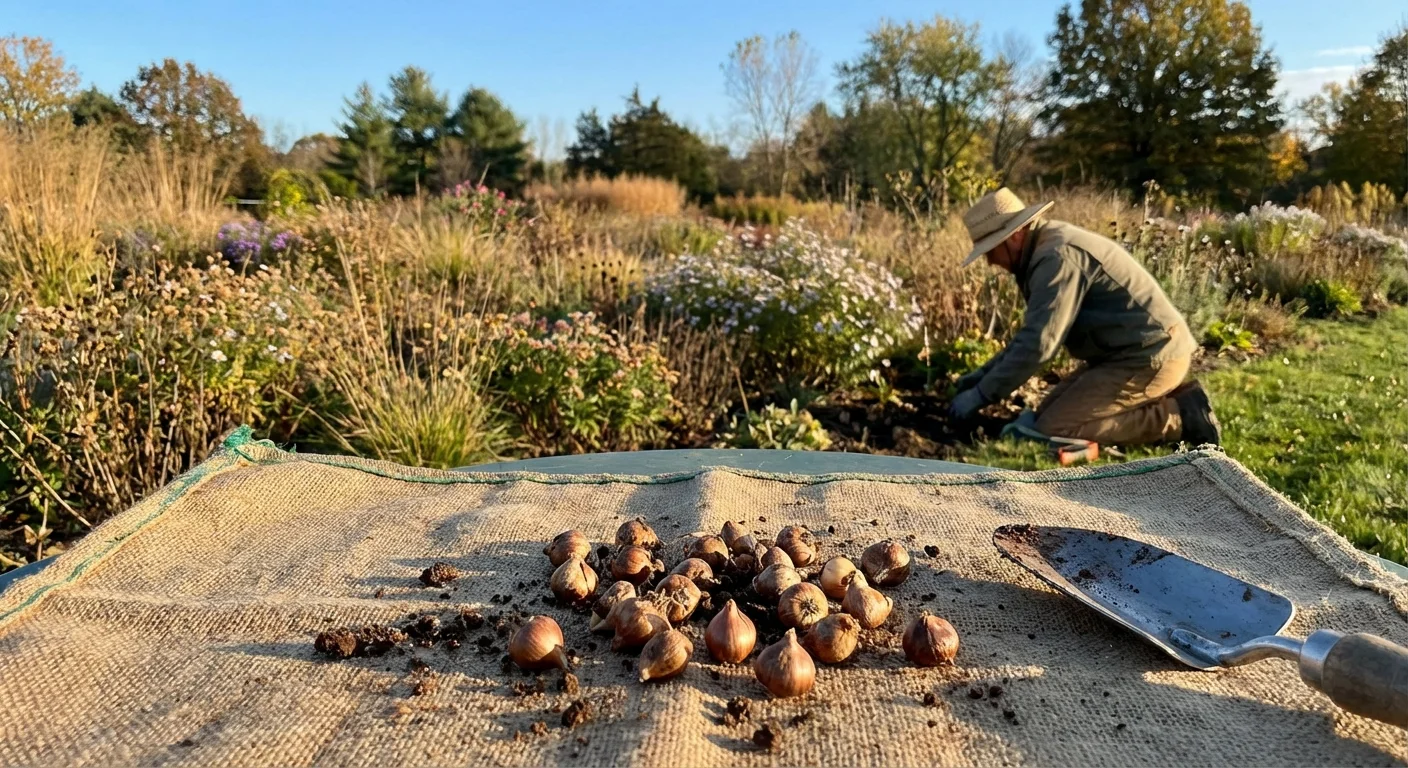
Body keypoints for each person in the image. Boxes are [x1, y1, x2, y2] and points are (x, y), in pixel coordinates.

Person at [947, 188, 1221, 447]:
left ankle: (1181, 417)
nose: (991, 261)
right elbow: (1031, 337)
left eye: (993, 249)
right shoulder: (1045, 247)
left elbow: (1039, 344)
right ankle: (1151, 402)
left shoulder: (1056, 257)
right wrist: (980, 377)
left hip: (1153, 357)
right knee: (1042, 416)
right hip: (1123, 357)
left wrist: (982, 394)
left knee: (1054, 429)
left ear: (1016, 234)